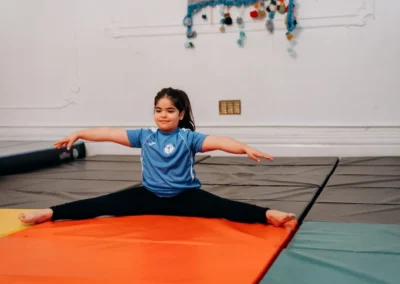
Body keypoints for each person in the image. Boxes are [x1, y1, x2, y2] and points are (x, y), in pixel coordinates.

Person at [18, 87, 296, 227]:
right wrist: (79, 133)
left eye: (170, 110)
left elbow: (220, 142)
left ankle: (268, 215)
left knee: (225, 207)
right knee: (100, 203)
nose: (163, 114)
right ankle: (51, 212)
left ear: (181, 114)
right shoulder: (144, 135)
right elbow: (108, 132)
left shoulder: (188, 138)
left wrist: (243, 147)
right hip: (148, 195)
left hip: (186, 197)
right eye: (159, 109)